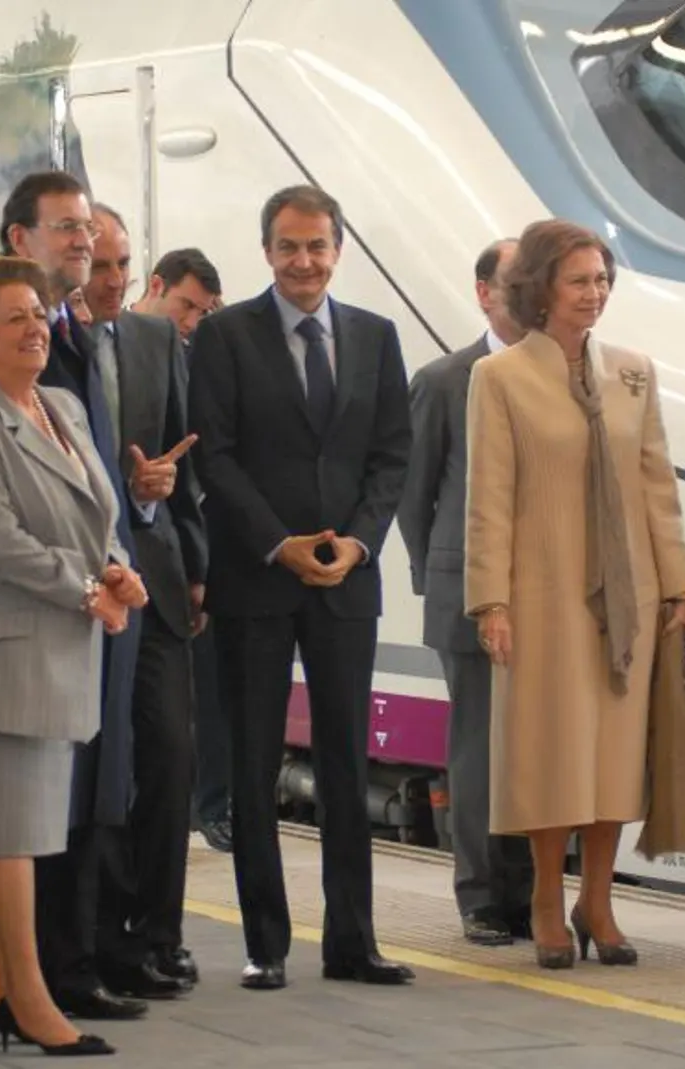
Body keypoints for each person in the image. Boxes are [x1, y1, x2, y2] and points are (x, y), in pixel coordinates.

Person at [0, 170, 149, 1025]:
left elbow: (99, 515)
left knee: (24, 834)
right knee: (10, 841)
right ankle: (30, 1002)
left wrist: (120, 567)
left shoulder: (61, 405)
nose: (34, 330)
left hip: (53, 655)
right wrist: (93, 588)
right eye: (12, 319)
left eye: (37, 317)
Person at [188, 185, 413, 991]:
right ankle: (265, 943)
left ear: (338, 248)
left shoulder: (376, 338)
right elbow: (214, 456)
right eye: (289, 247)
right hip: (258, 578)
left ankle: (354, 941)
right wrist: (278, 544)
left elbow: (392, 455)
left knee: (347, 762)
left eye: (317, 246)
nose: (304, 262)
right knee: (253, 763)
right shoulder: (222, 337)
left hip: (347, 579)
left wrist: (356, 540)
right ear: (267, 251)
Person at [464, 219, 685, 970]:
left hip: (630, 593)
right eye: (579, 280)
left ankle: (597, 900)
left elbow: (657, 487)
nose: (594, 293)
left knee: (614, 756)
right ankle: (543, 897)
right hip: (541, 592)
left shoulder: (632, 372)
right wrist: (489, 602)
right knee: (551, 752)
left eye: (601, 279)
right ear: (540, 289)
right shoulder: (498, 378)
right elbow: (489, 498)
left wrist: (680, 587)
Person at [83, 204, 207, 992]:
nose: (114, 279)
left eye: (124, 263)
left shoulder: (155, 338)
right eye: (100, 265)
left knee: (168, 757)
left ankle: (160, 933)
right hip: (85, 589)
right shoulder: (50, 344)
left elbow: (181, 463)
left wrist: (173, 524)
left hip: (154, 581)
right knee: (100, 770)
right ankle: (101, 938)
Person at [398, 238, 534, 946]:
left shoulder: (558, 372)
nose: (527, 294)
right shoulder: (445, 380)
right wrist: (438, 582)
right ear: (483, 292)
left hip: (544, 598)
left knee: (533, 751)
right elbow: (412, 496)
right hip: (468, 598)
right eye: (515, 282)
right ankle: (481, 895)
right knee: (480, 750)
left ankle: (527, 894)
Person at [131, 250, 231, 855]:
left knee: (209, 690)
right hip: (133, 546)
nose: (193, 320)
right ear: (156, 286)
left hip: (188, 546)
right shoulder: (116, 347)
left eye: (205, 311)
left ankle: (212, 806)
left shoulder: (196, 360)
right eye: (187, 305)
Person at [129, 248, 223, 343]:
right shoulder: (116, 342)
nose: (192, 324)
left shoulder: (194, 350)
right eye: (187, 305)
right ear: (156, 286)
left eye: (202, 312)